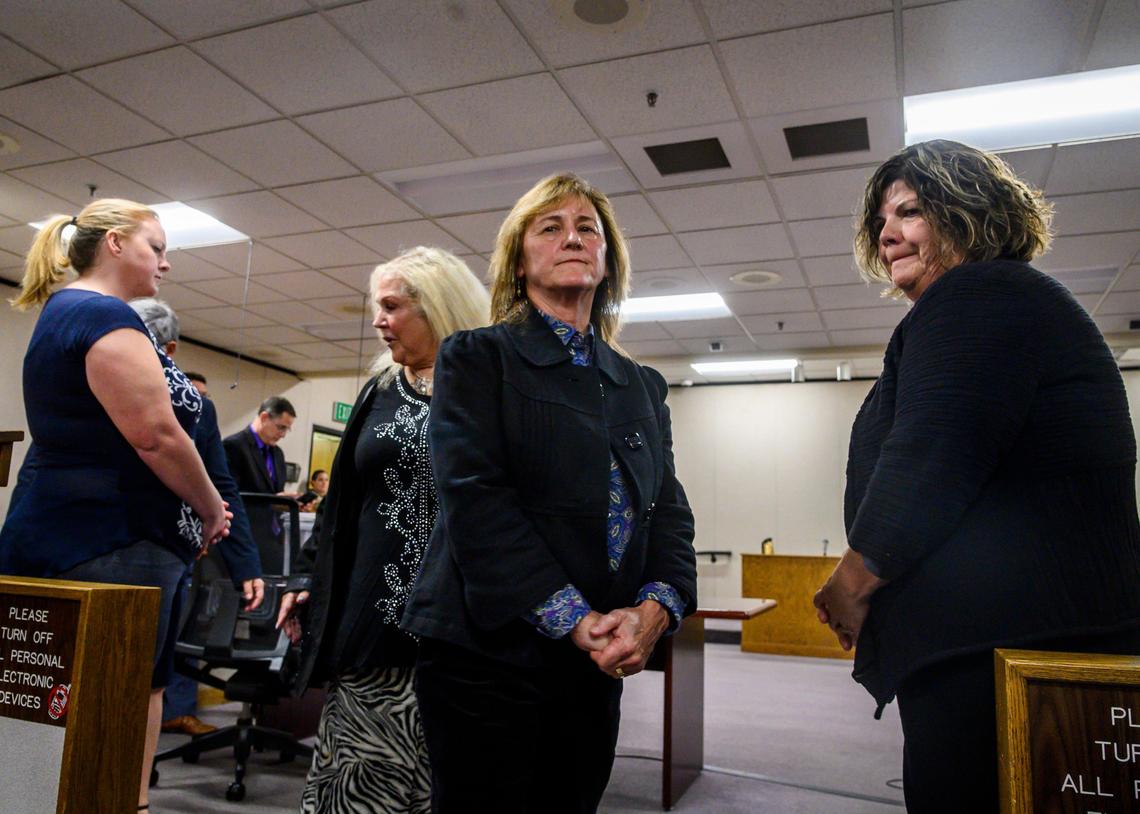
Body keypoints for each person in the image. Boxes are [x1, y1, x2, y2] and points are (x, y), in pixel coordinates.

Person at [812, 140, 1140, 814]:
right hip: (1013, 647)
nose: (887, 234)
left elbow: (929, 458)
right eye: (881, 221)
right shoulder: (998, 304)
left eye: (909, 211)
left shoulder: (979, 293)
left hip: (1010, 658)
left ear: (966, 213)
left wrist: (849, 587)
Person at [400, 173, 698, 813]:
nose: (573, 238)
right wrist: (572, 618)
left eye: (588, 228)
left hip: (596, 662)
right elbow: (476, 498)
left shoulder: (640, 384)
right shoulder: (477, 358)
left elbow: (665, 511)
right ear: (519, 256)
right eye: (551, 227)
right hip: (488, 654)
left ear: (608, 257)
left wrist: (656, 607)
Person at [0, 199, 231, 813]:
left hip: (100, 536)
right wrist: (211, 508)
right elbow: (155, 434)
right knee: (97, 720)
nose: (166, 263)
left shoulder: (79, 312)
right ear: (115, 245)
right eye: (156, 247)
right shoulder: (101, 315)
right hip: (105, 541)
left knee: (87, 720)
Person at [276, 247, 490, 813]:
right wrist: (308, 579)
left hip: (460, 630)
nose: (378, 320)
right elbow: (343, 502)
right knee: (360, 790)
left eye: (392, 306)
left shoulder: (490, 391)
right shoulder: (380, 389)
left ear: (438, 308)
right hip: (374, 627)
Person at [129, 298, 265, 737]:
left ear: (167, 351)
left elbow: (224, 490)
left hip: (162, 555)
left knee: (147, 681)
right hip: (88, 549)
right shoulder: (89, 383)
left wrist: (245, 565)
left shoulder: (196, 410)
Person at [223, 395, 296, 496]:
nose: (283, 435)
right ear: (264, 418)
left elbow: (277, 491)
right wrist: (273, 502)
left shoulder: (278, 453)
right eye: (281, 427)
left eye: (287, 429)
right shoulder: (233, 446)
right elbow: (230, 495)